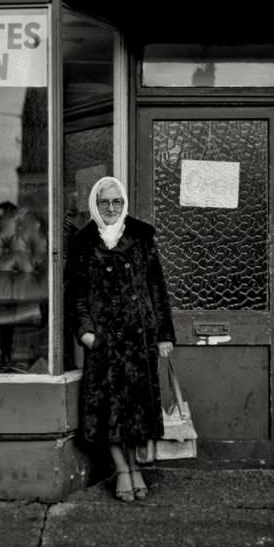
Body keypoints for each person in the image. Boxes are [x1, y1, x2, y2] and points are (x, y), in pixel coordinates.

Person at [65, 176, 175, 502]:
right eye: (104, 203)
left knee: (135, 409)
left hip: (138, 340)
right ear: (94, 206)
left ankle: (135, 467)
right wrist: (85, 332)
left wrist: (163, 334)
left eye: (117, 202)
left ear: (124, 204)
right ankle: (122, 470)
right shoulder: (83, 242)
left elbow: (157, 287)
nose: (111, 208)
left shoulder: (141, 237)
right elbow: (76, 293)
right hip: (103, 342)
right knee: (108, 410)